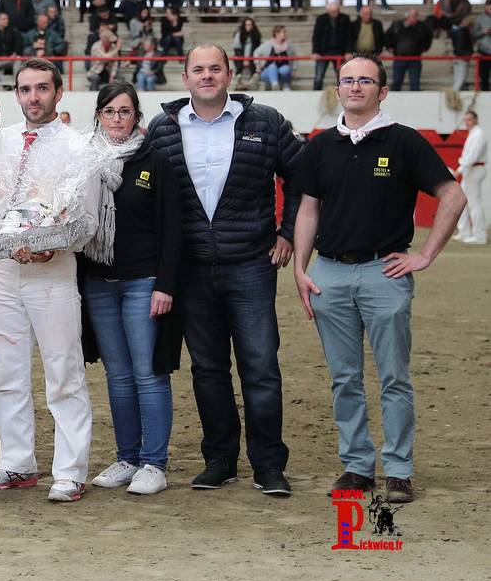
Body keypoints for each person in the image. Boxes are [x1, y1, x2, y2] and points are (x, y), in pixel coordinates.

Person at [292, 53, 466, 503]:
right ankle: (356, 465)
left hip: (383, 273)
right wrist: (300, 268)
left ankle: (398, 469)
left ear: (382, 91)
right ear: (337, 90)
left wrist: (426, 255)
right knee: (344, 378)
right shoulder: (320, 145)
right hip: (329, 273)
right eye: (347, 80)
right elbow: (308, 210)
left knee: (394, 377)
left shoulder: (405, 142)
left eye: (365, 81)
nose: (354, 87)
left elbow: (453, 195)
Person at [147, 43, 304, 497]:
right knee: (208, 369)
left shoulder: (266, 122)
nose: (207, 76)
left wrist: (288, 230)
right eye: (199, 69)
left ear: (230, 73)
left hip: (252, 266)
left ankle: (269, 464)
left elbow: (299, 176)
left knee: (260, 366)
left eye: (215, 68)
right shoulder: (162, 129)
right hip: (193, 271)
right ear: (185, 78)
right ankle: (219, 460)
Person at [0, 58, 101, 501]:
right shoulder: (2, 142)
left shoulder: (77, 145)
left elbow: (84, 218)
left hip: (53, 270)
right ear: (16, 94)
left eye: (42, 88)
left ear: (58, 92)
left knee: (63, 371)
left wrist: (54, 246)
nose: (34, 97)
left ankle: (69, 470)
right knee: (6, 371)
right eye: (26, 89)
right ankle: (15, 462)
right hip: (8, 269)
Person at [81, 81, 182, 496]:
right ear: (99, 116)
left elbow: (173, 231)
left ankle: (154, 464)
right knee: (118, 376)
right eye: (109, 111)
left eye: (125, 111)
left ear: (137, 117)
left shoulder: (155, 162)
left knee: (148, 373)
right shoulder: (83, 163)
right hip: (99, 284)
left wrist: (166, 285)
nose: (117, 119)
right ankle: (127, 456)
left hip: (144, 284)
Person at [454, 110, 486, 245]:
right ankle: (464, 231)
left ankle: (480, 236)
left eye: (469, 119)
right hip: (469, 170)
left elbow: (473, 156)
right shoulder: (473, 133)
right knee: (462, 201)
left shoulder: (479, 133)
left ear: (476, 120)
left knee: (474, 203)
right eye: (465, 120)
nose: (467, 122)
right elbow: (469, 156)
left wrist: (459, 170)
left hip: (475, 169)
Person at [385, 10, 433, 92]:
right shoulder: (397, 24)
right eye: (412, 16)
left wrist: (424, 48)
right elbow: (388, 36)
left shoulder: (421, 26)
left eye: (415, 16)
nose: (414, 18)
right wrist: (389, 46)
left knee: (415, 82)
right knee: (397, 81)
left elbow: (428, 37)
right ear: (407, 16)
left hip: (415, 58)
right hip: (400, 57)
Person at [311, 2, 351, 92]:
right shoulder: (321, 19)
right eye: (332, 12)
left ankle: (344, 93)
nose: (335, 14)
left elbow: (349, 36)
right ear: (328, 11)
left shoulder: (345, 18)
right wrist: (315, 51)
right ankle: (314, 94)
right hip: (323, 51)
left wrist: (348, 51)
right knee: (318, 77)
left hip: (339, 51)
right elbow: (316, 36)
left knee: (342, 76)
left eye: (336, 11)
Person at [254, 24, 294, 91]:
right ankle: (274, 85)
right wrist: (258, 65)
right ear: (277, 33)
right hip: (268, 71)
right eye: (283, 32)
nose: (285, 33)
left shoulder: (289, 45)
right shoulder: (268, 44)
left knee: (286, 69)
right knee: (272, 66)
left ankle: (286, 85)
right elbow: (256, 53)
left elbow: (293, 57)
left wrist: (294, 69)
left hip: (281, 71)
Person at [232, 16, 263, 90]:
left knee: (257, 59)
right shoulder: (239, 34)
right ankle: (239, 77)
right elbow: (237, 48)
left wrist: (249, 59)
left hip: (253, 56)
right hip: (241, 56)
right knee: (236, 57)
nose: (248, 27)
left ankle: (253, 79)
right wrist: (245, 59)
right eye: (247, 25)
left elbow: (258, 49)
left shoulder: (256, 35)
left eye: (250, 25)